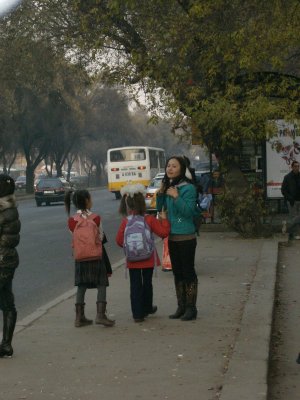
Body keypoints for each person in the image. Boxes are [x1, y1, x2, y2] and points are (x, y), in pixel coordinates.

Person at [116, 184, 170, 322]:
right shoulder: (149, 219)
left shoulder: (125, 221)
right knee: (147, 283)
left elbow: (119, 241)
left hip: (132, 260)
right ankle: (147, 307)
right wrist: (164, 219)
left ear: (127, 204)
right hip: (148, 258)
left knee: (135, 285)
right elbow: (164, 233)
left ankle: (137, 314)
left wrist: (131, 248)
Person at [156, 156, 199, 321]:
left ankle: (191, 308)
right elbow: (160, 210)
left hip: (186, 237)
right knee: (178, 273)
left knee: (188, 272)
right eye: (168, 166)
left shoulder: (188, 188)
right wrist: (161, 194)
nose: (170, 169)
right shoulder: (169, 187)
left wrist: (176, 196)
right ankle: (181, 306)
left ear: (182, 169)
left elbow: (188, 212)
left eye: (174, 166)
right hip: (172, 237)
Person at [65, 190, 115, 327]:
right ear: (87, 200)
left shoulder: (71, 221)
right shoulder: (96, 218)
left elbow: (74, 236)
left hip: (81, 257)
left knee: (81, 285)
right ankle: (100, 315)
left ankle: (79, 317)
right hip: (96, 256)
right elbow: (100, 237)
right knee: (101, 284)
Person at [0, 174, 21, 357]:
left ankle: (6, 344)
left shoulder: (3, 212)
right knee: (7, 303)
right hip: (7, 261)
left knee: (7, 303)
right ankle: (6, 344)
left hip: (1, 260)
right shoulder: (11, 208)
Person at [281, 160, 300, 240]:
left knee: (296, 218)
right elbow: (283, 190)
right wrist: (290, 198)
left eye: (298, 166)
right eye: (295, 166)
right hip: (292, 201)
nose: (297, 168)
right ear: (292, 167)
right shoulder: (287, 177)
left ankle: (286, 224)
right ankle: (295, 234)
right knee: (294, 217)